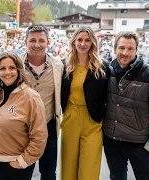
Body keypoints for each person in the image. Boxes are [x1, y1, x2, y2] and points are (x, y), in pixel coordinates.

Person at [103, 31, 149, 180]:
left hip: (140, 145)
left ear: (136, 50)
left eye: (130, 49)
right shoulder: (108, 71)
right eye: (121, 48)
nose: (125, 53)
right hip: (112, 142)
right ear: (114, 50)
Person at [0, 52, 48, 180]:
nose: (7, 72)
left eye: (12, 68)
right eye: (3, 68)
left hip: (15, 166)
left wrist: (21, 162)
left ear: (19, 70)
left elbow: (39, 137)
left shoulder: (31, 97)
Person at [60, 26, 108, 180]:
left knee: (89, 169)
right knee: (68, 166)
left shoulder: (102, 67)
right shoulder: (64, 65)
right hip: (70, 119)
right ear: (74, 41)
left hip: (93, 122)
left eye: (87, 40)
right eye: (80, 39)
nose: (83, 43)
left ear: (93, 43)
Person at [20, 24, 64, 180]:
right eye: (32, 40)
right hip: (21, 127)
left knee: (49, 173)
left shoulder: (58, 66)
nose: (37, 44)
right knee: (22, 171)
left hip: (48, 127)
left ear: (48, 42)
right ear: (25, 42)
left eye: (41, 40)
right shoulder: (16, 64)